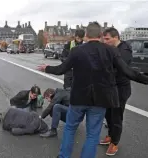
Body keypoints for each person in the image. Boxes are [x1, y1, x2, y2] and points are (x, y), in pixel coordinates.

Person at [37, 22, 148, 158]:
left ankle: (63, 156)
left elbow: (61, 69)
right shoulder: (111, 51)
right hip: (100, 100)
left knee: (70, 129)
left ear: (86, 35)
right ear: (100, 35)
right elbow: (128, 72)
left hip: (78, 98)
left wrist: (47, 68)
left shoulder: (76, 51)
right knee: (93, 134)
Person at [100, 28, 133, 156]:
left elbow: (118, 69)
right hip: (110, 88)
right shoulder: (111, 49)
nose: (105, 41)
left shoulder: (124, 50)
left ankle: (115, 143)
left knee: (116, 117)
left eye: (107, 39)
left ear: (116, 37)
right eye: (104, 39)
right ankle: (110, 135)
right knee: (108, 113)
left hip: (121, 89)